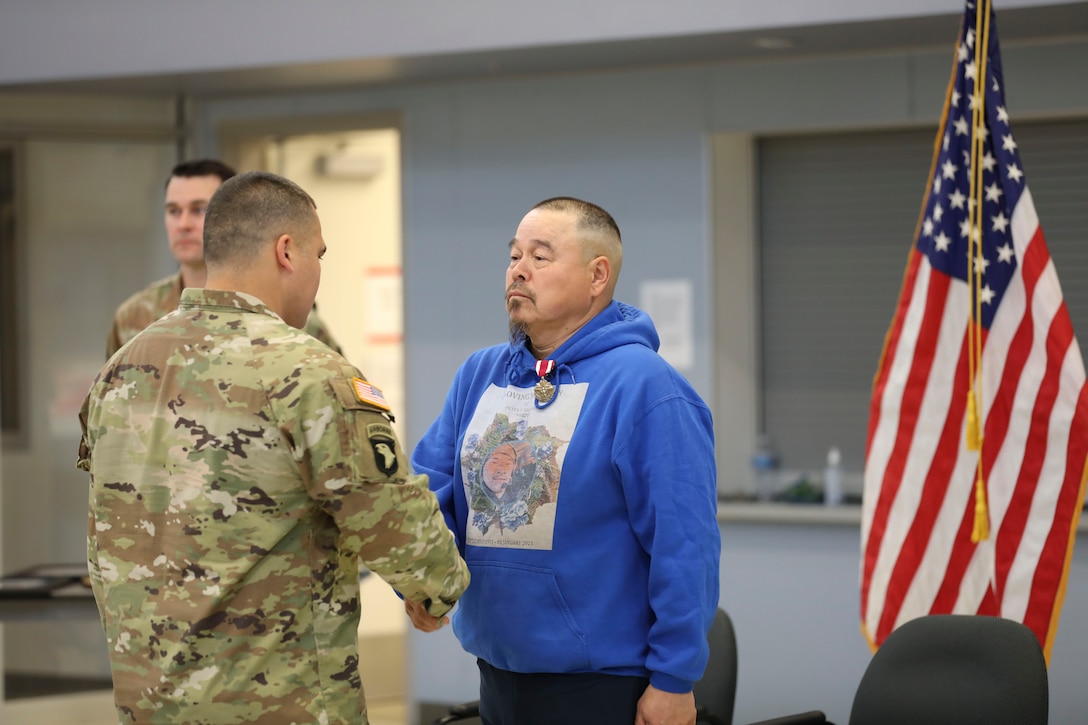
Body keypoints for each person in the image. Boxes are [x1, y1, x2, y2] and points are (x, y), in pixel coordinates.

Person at [78, 170, 469, 724]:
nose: (317, 274)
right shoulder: (310, 372)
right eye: (319, 255)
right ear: (287, 252)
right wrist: (439, 590)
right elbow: (388, 514)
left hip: (151, 700)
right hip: (277, 701)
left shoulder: (122, 369)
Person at [408, 196, 721, 725]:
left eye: (540, 256)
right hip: (497, 671)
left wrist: (674, 678)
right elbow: (430, 489)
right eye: (513, 256)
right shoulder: (479, 375)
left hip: (601, 683)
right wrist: (419, 580)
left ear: (598, 275)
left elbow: (684, 543)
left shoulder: (646, 387)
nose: (518, 271)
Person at [106, 158, 342, 358]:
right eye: (173, 211)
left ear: (231, 214)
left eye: (199, 209)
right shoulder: (134, 316)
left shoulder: (291, 314)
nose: (183, 224)